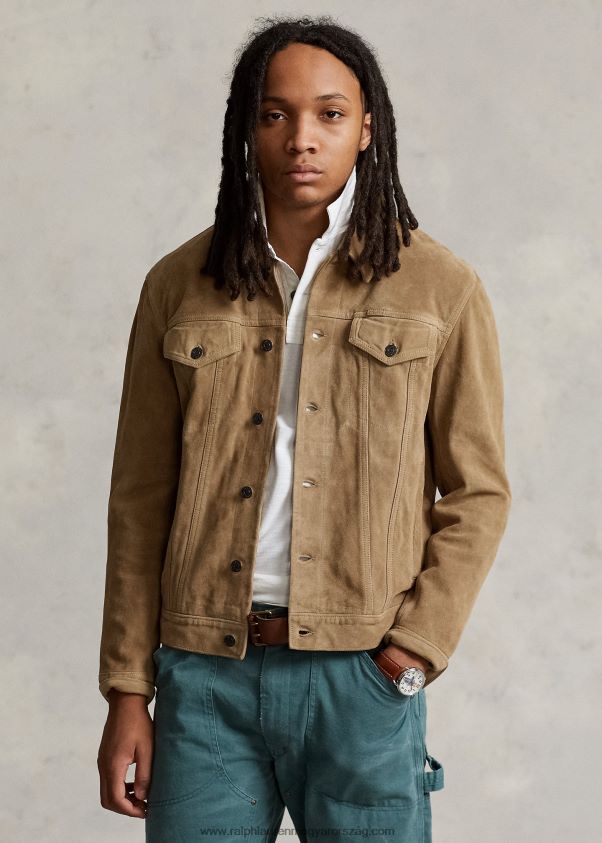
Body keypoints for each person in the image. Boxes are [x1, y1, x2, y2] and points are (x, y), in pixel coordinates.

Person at [97, 15, 511, 842]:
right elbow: (140, 500)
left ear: (367, 129)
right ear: (246, 131)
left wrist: (410, 652)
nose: (302, 139)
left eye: (330, 114)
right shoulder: (178, 284)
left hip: (360, 678)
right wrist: (128, 689)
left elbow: (478, 493)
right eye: (275, 114)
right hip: (204, 680)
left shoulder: (440, 287)